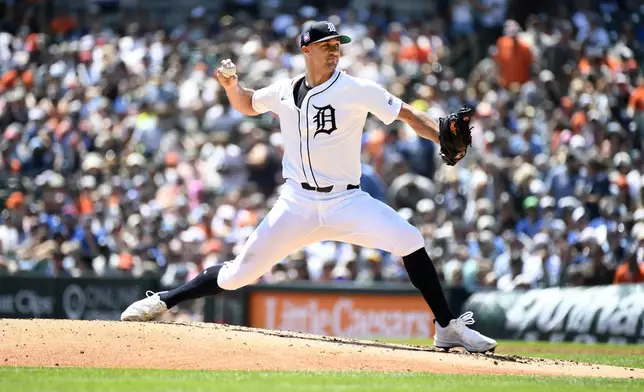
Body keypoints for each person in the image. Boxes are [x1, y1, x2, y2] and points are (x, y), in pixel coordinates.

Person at [120, 21, 497, 354]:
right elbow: (249, 104)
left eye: (338, 45)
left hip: (346, 200)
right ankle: (164, 302)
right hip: (296, 203)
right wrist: (233, 87)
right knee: (238, 275)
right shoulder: (284, 90)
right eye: (327, 45)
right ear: (306, 50)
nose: (335, 51)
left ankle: (446, 328)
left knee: (410, 239)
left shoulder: (356, 88)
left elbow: (407, 114)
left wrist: (439, 137)